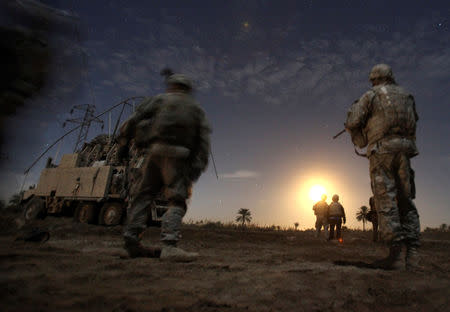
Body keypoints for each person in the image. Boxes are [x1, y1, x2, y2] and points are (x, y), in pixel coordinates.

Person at [117, 69, 211, 261]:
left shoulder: (160, 100)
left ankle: (131, 241)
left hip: (154, 153)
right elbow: (203, 141)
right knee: (176, 199)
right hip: (178, 157)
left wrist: (123, 143)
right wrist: (198, 166)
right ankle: (169, 245)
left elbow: (134, 118)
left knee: (143, 195)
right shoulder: (195, 109)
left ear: (173, 85)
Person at [345, 64, 420, 270]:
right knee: (406, 200)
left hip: (382, 152)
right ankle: (413, 255)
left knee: (386, 201)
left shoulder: (371, 96)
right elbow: (414, 123)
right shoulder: (407, 96)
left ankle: (395, 256)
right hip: (404, 151)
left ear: (375, 79)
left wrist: (356, 128)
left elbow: (353, 122)